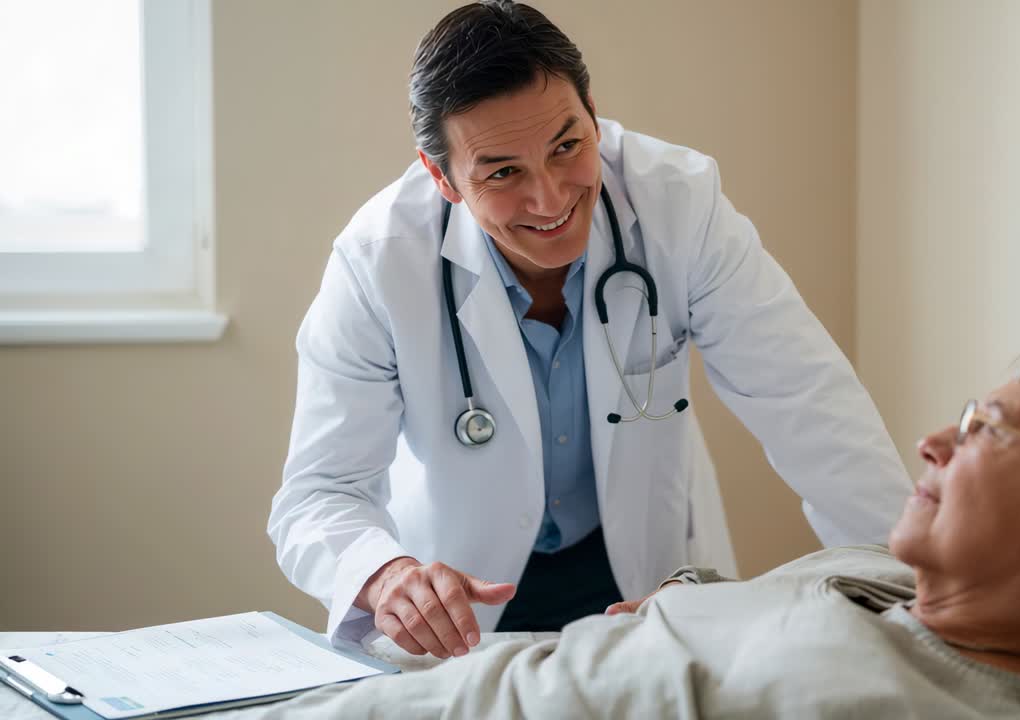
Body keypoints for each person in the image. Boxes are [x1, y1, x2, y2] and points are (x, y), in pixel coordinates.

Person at [268, 0, 909, 658]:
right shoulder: (380, 260)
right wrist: (387, 576)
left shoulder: (677, 205)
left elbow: (808, 402)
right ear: (443, 177)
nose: (549, 199)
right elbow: (319, 494)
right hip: (462, 603)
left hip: (638, 581)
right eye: (502, 172)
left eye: (566, 146)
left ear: (593, 116)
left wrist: (916, 591)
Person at [257, 334, 1020, 718]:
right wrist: (688, 601)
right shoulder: (895, 582)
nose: (931, 442)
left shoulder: (911, 708)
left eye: (984, 428)